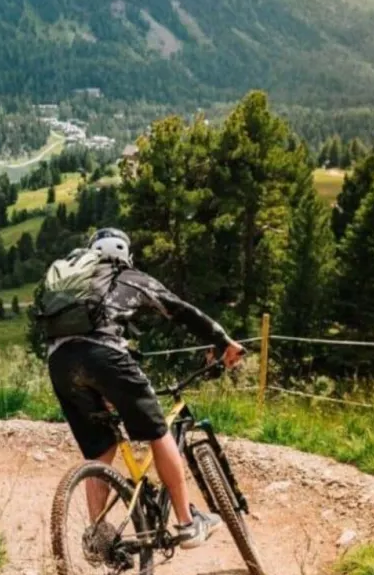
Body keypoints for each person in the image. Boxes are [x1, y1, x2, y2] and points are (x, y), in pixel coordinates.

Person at [43, 228, 244, 547]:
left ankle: (98, 535)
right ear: (125, 256)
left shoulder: (76, 285)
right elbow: (180, 310)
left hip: (60, 362)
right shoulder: (128, 276)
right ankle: (187, 523)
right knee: (156, 432)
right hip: (104, 354)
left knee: (100, 450)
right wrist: (222, 341)